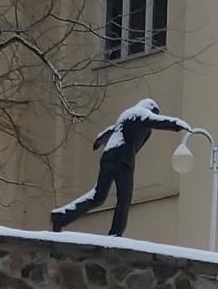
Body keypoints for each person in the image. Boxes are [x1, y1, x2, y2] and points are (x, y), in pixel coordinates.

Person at [50, 98, 190, 237]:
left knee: (98, 196)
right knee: (124, 198)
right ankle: (116, 234)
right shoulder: (139, 113)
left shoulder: (126, 116)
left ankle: (62, 216)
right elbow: (157, 121)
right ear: (150, 109)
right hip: (123, 161)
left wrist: (99, 141)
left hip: (108, 157)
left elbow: (112, 130)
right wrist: (177, 124)